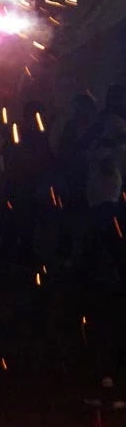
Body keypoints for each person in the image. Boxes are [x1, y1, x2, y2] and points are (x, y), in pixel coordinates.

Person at [78, 84, 126, 290]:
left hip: (104, 186)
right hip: (105, 187)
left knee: (99, 231)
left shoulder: (103, 122)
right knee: (111, 232)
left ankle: (85, 274)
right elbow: (94, 149)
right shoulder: (112, 123)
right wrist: (106, 159)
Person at [0, 100, 55, 269]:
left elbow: (46, 157)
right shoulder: (21, 132)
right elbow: (8, 153)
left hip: (29, 182)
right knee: (17, 218)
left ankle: (19, 252)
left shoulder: (37, 134)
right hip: (19, 182)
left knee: (26, 219)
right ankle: (10, 253)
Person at [54, 92, 98, 265]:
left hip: (90, 179)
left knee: (87, 219)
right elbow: (63, 150)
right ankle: (65, 253)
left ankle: (87, 257)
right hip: (72, 178)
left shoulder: (95, 128)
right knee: (69, 216)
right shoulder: (71, 127)